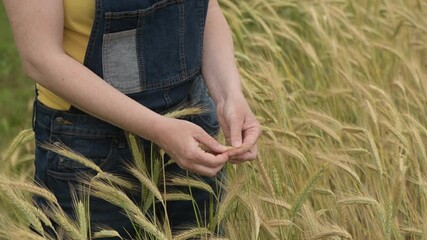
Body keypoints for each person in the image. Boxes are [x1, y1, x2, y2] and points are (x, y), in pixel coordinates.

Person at [3, 0, 261, 238]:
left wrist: (229, 96)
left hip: (192, 132)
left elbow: (206, 10)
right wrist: (158, 128)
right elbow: (40, 58)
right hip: (89, 152)